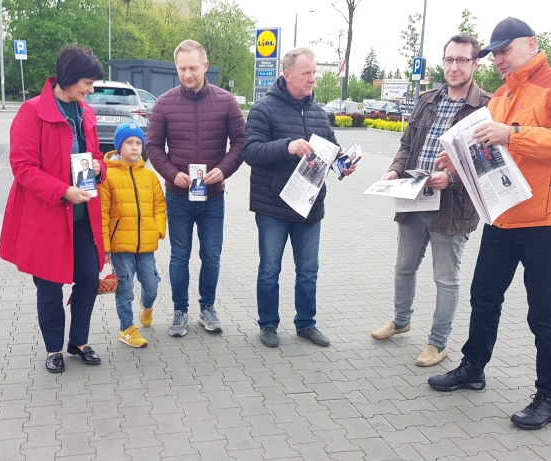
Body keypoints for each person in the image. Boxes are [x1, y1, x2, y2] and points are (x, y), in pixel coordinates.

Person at [428, 18, 551, 430]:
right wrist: (458, 162)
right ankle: (473, 368)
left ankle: (550, 395)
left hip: (547, 219)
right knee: (484, 296)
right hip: (502, 215)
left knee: (544, 311)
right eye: (494, 53)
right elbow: (491, 153)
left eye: (505, 50)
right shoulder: (502, 95)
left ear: (532, 44)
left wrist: (513, 133)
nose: (499, 59)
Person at [370, 34, 491, 368]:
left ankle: (438, 343)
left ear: (475, 64)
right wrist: (395, 170)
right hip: (413, 196)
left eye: (461, 60)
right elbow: (407, 145)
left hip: (452, 206)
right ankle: (401, 320)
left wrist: (450, 179)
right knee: (404, 267)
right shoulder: (426, 99)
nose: (454, 67)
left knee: (445, 278)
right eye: (449, 60)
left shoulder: (486, 106)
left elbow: (484, 162)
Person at [0, 45, 107, 373]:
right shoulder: (32, 112)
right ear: (70, 78)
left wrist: (99, 168)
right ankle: (53, 348)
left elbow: (95, 155)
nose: (90, 90)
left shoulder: (86, 113)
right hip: (47, 216)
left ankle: (79, 341)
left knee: (88, 279)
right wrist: (62, 191)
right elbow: (23, 166)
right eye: (88, 83)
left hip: (83, 216)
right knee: (49, 286)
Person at [242, 47, 357, 349]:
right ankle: (268, 323)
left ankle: (306, 323)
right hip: (273, 207)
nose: (312, 79)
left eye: (314, 73)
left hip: (310, 207)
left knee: (308, 271)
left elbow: (332, 151)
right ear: (288, 74)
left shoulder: (318, 112)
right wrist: (287, 146)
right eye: (307, 73)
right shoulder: (263, 109)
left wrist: (343, 165)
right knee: (270, 270)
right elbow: (250, 151)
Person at [147, 39, 246, 337]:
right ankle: (180, 311)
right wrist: (171, 174)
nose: (188, 74)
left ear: (205, 66)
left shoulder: (226, 101)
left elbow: (241, 143)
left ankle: (207, 308)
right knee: (179, 256)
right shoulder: (164, 103)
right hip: (178, 196)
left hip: (213, 197)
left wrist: (223, 170)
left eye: (193, 68)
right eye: (182, 69)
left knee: (211, 256)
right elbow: (153, 147)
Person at [98, 122, 167, 348]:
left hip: (146, 245)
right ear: (119, 146)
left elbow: (160, 206)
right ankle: (126, 328)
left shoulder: (150, 176)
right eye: (129, 142)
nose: (135, 147)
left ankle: (147, 306)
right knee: (124, 289)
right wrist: (106, 246)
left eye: (138, 142)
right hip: (120, 247)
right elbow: (102, 213)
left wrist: (158, 229)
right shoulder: (107, 177)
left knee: (151, 285)